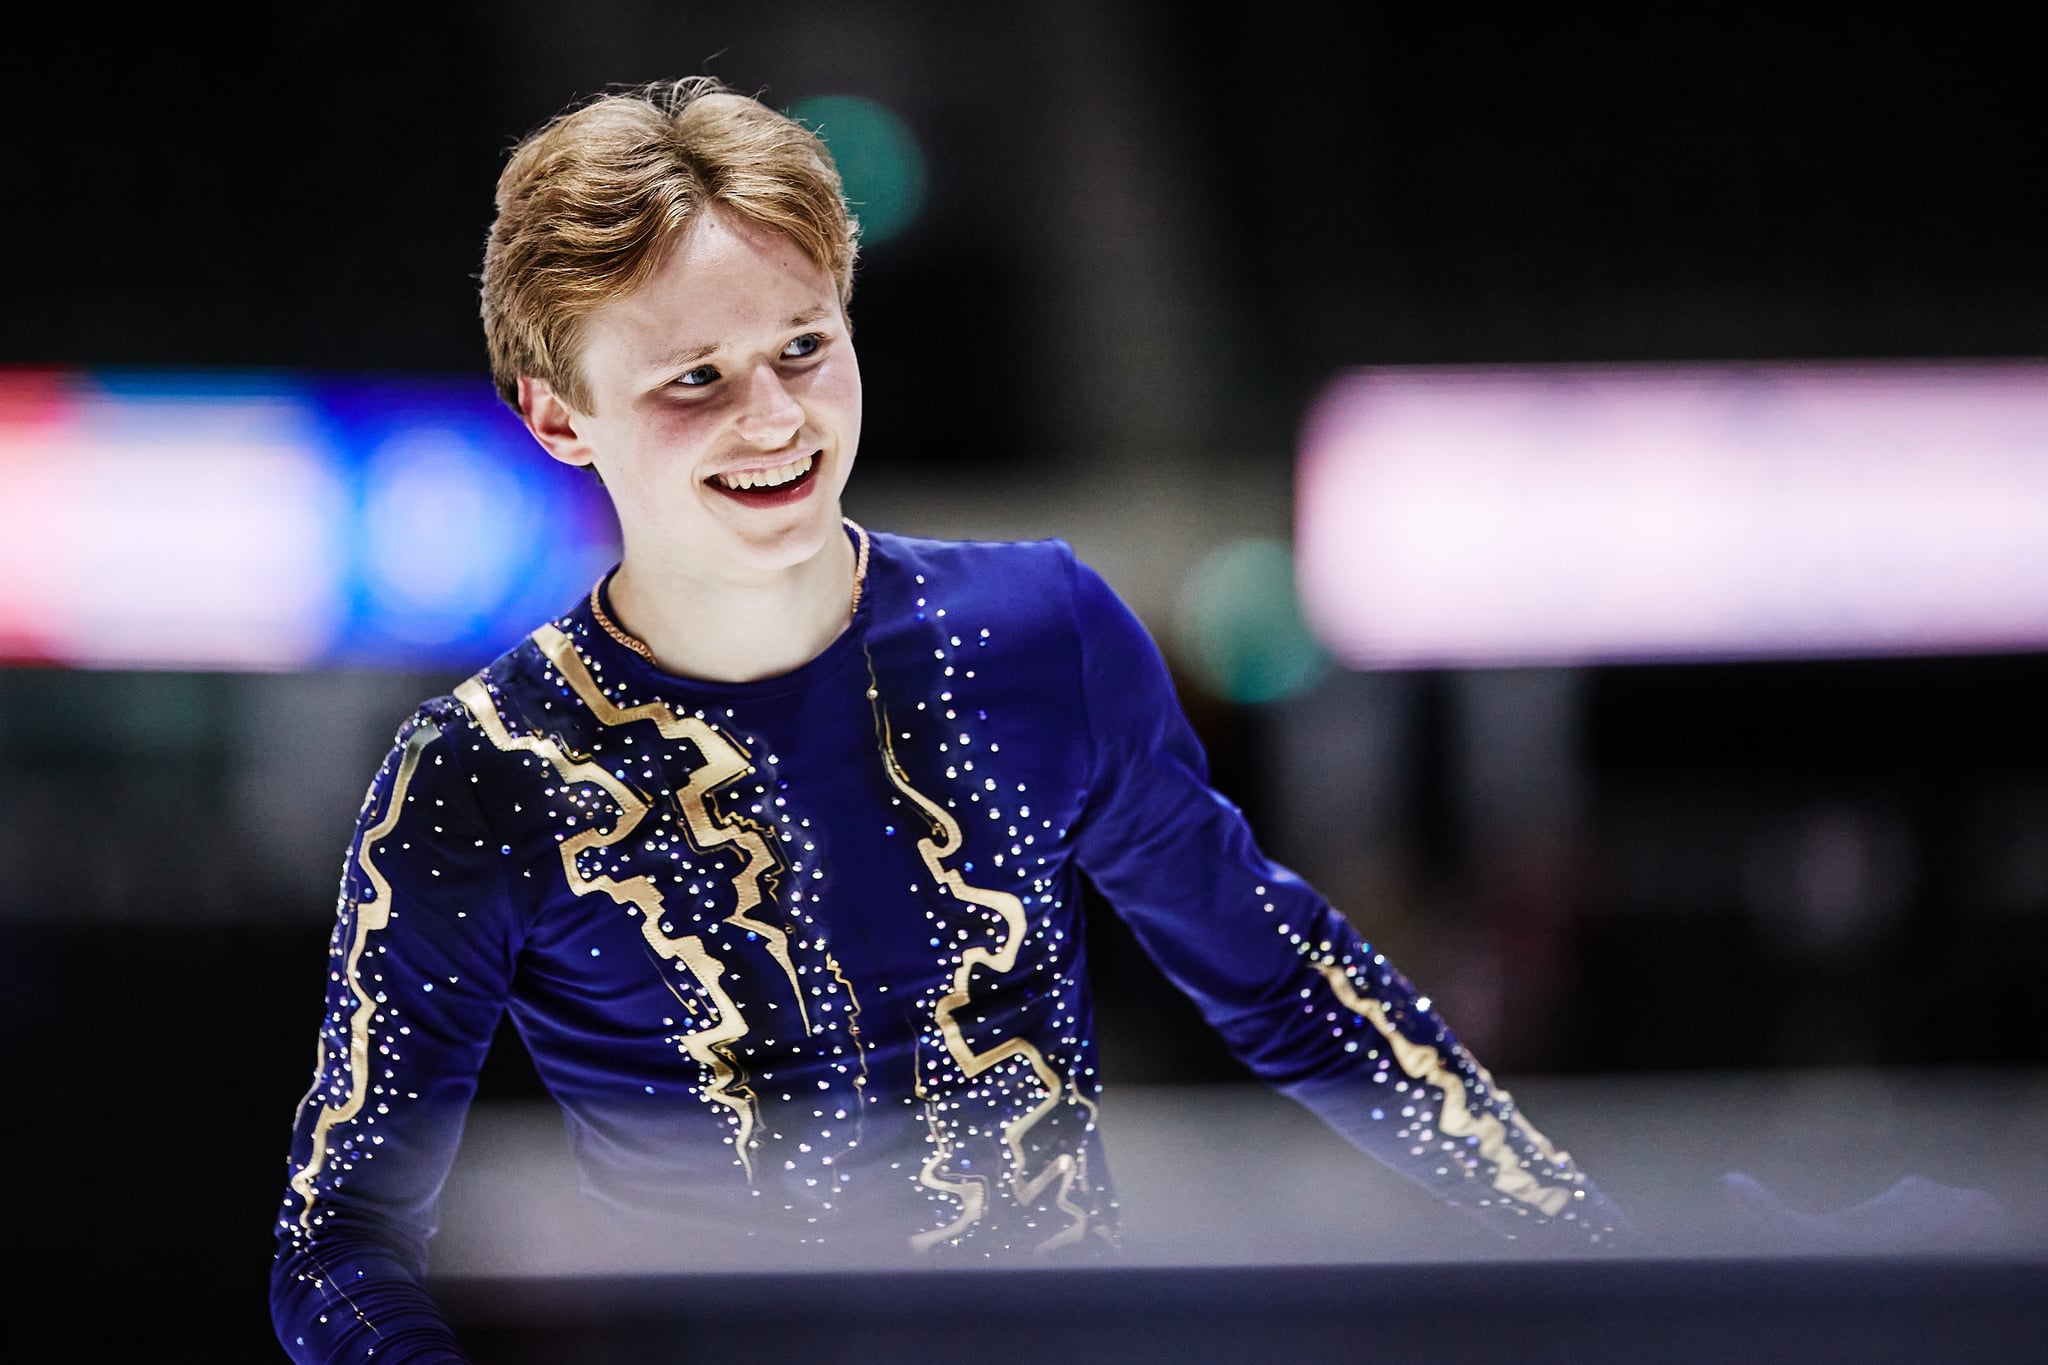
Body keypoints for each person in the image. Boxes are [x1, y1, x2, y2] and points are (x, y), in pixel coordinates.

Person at [270, 76, 1635, 1365]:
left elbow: (1292, 986)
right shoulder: (485, 770)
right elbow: (339, 1241)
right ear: (560, 416)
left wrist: (1593, 1245)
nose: (775, 420)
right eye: (695, 379)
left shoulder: (1039, 636)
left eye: (805, 347)